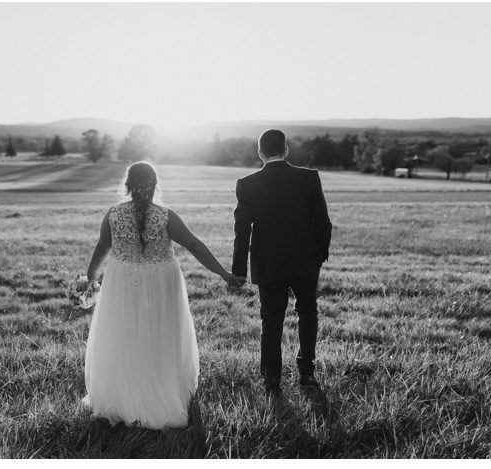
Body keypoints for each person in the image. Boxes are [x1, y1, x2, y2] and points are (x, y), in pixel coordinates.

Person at [82, 162, 244, 429]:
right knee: (161, 336)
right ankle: (161, 393)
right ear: (155, 184)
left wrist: (90, 278)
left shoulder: (113, 214)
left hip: (123, 281)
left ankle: (122, 396)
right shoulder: (167, 216)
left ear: (128, 184)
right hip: (161, 281)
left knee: (123, 336)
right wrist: (224, 273)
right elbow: (193, 245)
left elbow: (102, 247)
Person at [233, 129, 333, 394]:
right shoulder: (309, 178)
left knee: (272, 320)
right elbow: (322, 222)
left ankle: (272, 378)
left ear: (260, 152)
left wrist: (238, 270)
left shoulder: (247, 183)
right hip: (305, 260)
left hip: (268, 261)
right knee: (308, 311)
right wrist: (319, 254)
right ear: (286, 150)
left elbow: (242, 230)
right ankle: (307, 372)